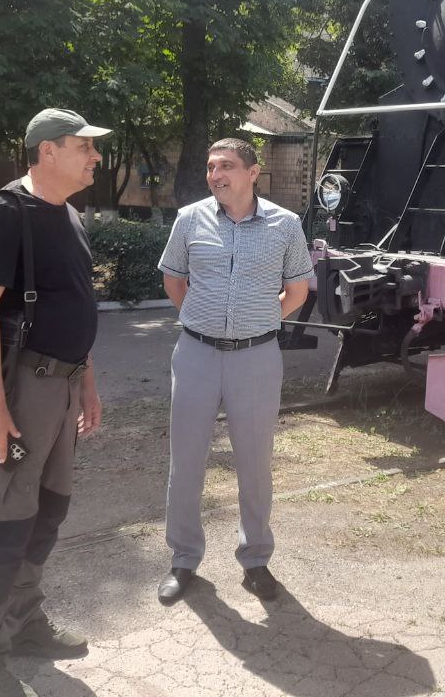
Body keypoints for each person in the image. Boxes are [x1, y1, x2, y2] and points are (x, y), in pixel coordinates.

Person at [0, 108, 109, 697]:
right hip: (16, 389)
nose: (94, 157)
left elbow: (72, 304)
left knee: (46, 513)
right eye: (83, 147)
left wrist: (87, 384)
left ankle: (23, 626)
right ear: (47, 151)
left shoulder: (68, 215)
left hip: (62, 387)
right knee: (0, 525)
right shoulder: (4, 213)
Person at [155, 137, 314, 604]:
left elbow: (298, 289)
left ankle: (256, 560)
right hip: (196, 355)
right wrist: (204, 322)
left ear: (252, 172)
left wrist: (257, 323)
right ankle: (183, 559)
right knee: (186, 461)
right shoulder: (190, 219)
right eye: (210, 167)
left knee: (255, 462)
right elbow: (174, 280)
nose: (215, 174)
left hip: (256, 358)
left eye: (226, 166)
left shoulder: (285, 226)